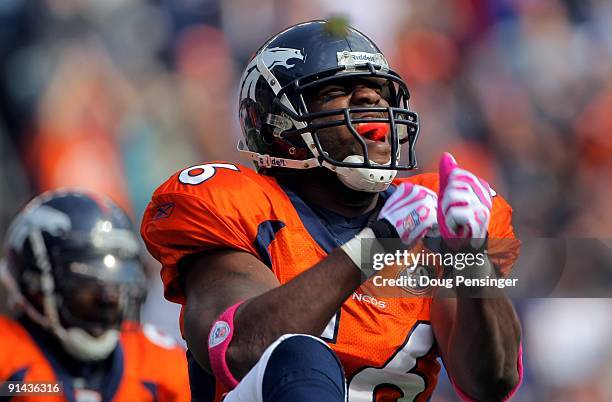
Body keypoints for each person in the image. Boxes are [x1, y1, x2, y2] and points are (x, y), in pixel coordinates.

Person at [141, 19, 522, 401]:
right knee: (299, 353)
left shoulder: (427, 218)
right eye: (339, 90)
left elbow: (492, 381)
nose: (372, 102)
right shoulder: (239, 206)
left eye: (378, 92)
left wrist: (470, 260)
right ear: (282, 129)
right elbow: (243, 348)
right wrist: (376, 246)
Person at [0, 189, 190, 402]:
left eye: (117, 281)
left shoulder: (158, 363)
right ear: (34, 284)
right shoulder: (9, 363)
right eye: (86, 282)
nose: (108, 298)